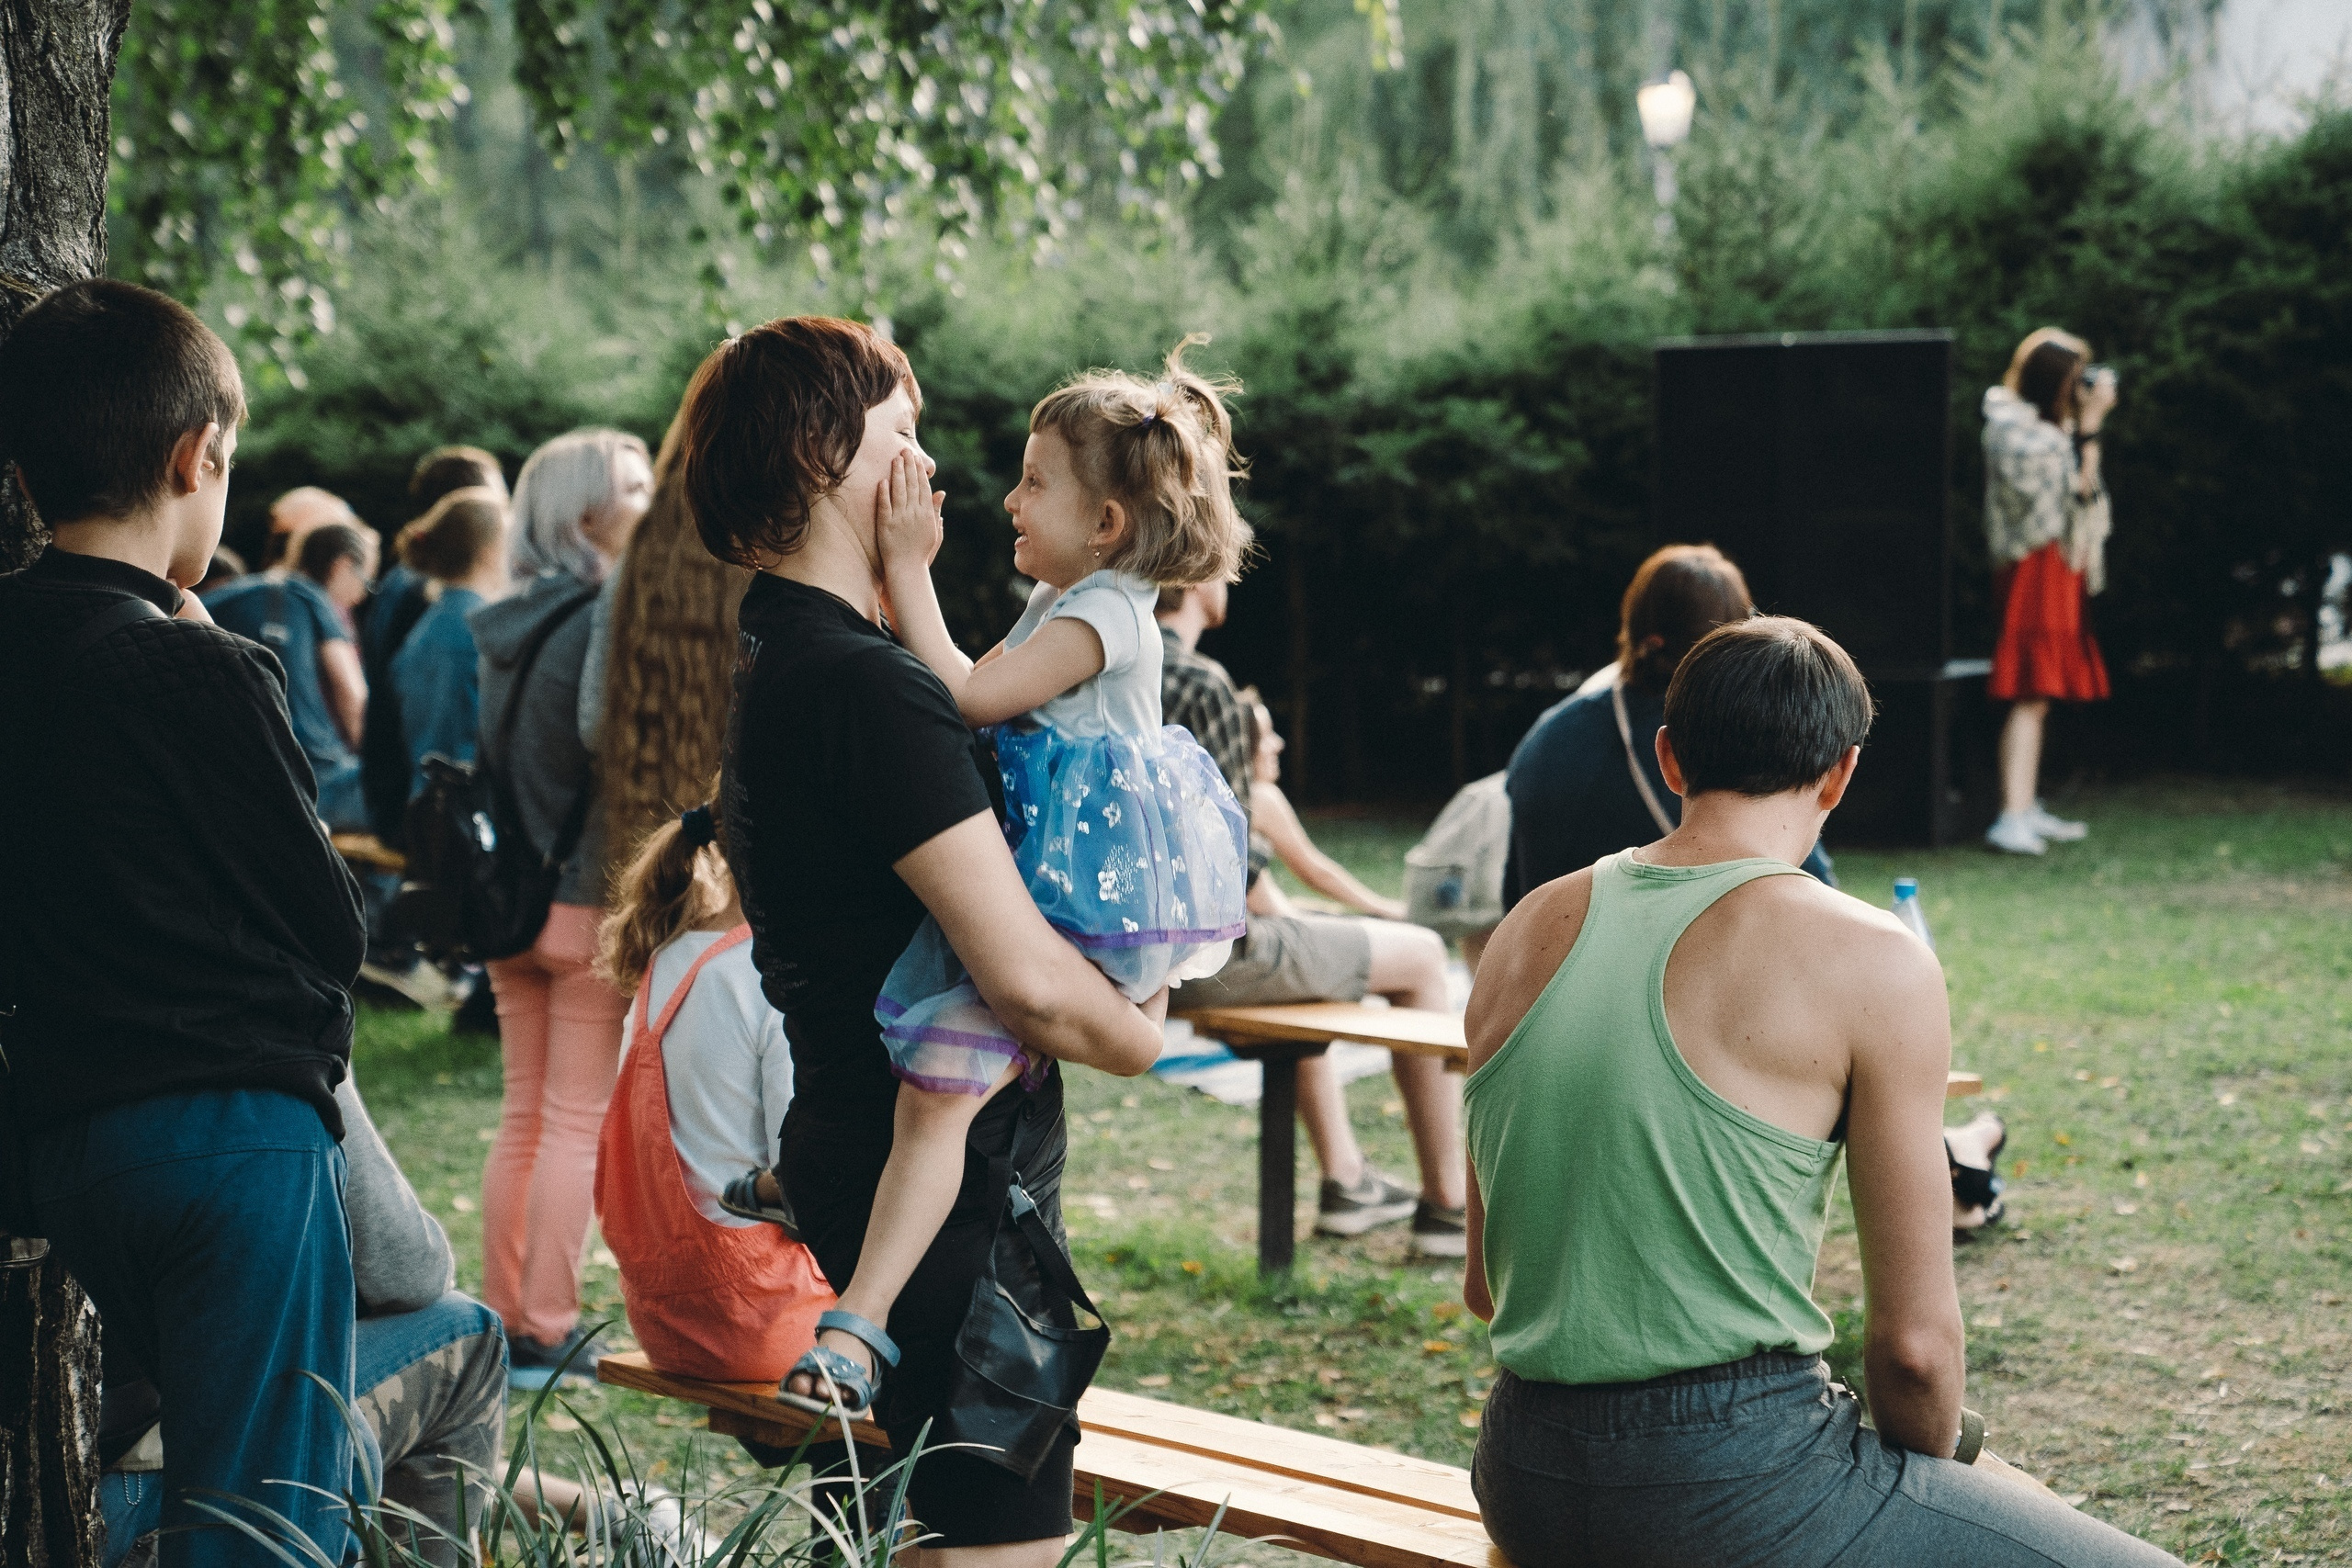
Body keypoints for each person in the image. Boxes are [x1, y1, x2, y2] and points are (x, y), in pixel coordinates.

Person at [1462, 616, 2179, 1568]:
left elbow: (1485, 1287)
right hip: (1731, 1480)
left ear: (1669, 758)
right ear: (1840, 774)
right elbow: (1915, 1355)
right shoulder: (1873, 957)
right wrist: (1942, 1480)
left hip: (1522, 1474)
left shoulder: (1524, 929)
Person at [685, 315, 1166, 1559]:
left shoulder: (790, 650)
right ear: (820, 452)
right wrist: (1137, 1033)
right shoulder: (866, 685)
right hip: (952, 1215)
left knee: (892, 1532)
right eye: (904, 435)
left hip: (854, 1144)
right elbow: (1025, 981)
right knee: (994, 1545)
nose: (934, 471)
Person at [0, 278, 366, 1567]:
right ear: (194, 458)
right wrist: (217, 653)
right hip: (238, 1136)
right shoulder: (199, 661)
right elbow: (328, 922)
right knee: (271, 1512)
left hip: (71, 1138)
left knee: (260, 1455)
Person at [831, 339, 1251, 1411]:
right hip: (1056, 886)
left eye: (1034, 481)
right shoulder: (1083, 596)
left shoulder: (1104, 615)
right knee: (932, 1095)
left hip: (1074, 902)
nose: (1010, 499)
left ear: (1106, 523)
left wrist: (906, 571)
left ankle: (856, 1324)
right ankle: (842, 1261)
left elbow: (971, 697)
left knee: (938, 1097)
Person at [1158, 582, 1468, 1256]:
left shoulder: (1091, 664)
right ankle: (1448, 1204)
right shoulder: (1195, 681)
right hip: (1201, 958)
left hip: (1117, 955)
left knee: (1311, 968)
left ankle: (1347, 1179)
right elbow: (1231, 869)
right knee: (1418, 955)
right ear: (1192, 571)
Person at [98, 1069, 508, 1568]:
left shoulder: (54, 1027)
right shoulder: (278, 1026)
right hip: (152, 1495)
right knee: (468, 1336)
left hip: (91, 1470)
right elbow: (407, 1270)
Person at [469, 426, 653, 1386]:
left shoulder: (502, 625)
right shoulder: (600, 621)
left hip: (508, 900)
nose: (650, 496)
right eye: (631, 485)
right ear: (584, 513)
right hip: (582, 897)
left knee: (524, 1113)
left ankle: (506, 1308)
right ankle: (547, 1319)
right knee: (574, 1118)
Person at [593, 795, 833, 1382]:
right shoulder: (771, 976)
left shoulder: (667, 960)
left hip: (667, 1320)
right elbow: (803, 1176)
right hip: (766, 1323)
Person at [1504, 544, 1835, 907]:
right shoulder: (1731, 741)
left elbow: (1515, 894)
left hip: (1556, 957)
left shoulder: (1546, 737)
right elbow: (1811, 890)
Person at [585, 429, 752, 859]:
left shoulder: (635, 562)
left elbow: (592, 723)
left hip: (649, 834)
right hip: (752, 840)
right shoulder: (780, 561)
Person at [1983, 328, 2114, 855]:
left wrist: (2083, 430)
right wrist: (2090, 426)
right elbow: (2073, 488)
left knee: (2040, 696)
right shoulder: (2013, 431)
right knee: (2030, 690)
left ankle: (2025, 804)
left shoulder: (2050, 430)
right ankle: (2010, 816)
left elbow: (2082, 490)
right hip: (2031, 569)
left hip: (2057, 566)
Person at [362, 446, 509, 847]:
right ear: (488, 549)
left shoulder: (434, 614)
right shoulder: (465, 632)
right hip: (448, 825)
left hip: (420, 808)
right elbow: (447, 748)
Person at [205, 497, 373, 830]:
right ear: (341, 566)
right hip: (317, 776)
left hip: (242, 776)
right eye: (365, 581)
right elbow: (353, 699)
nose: (361, 596)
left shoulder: (226, 598)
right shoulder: (312, 597)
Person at [1237, 689, 1407, 919]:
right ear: (1244, 746)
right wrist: (1383, 908)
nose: (1278, 743)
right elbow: (1315, 871)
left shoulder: (1226, 799)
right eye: (1266, 736)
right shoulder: (1260, 798)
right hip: (1268, 931)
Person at [389, 487, 510, 805]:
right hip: (462, 815)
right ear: (489, 550)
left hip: (428, 808)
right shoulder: (478, 630)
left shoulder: (430, 624)